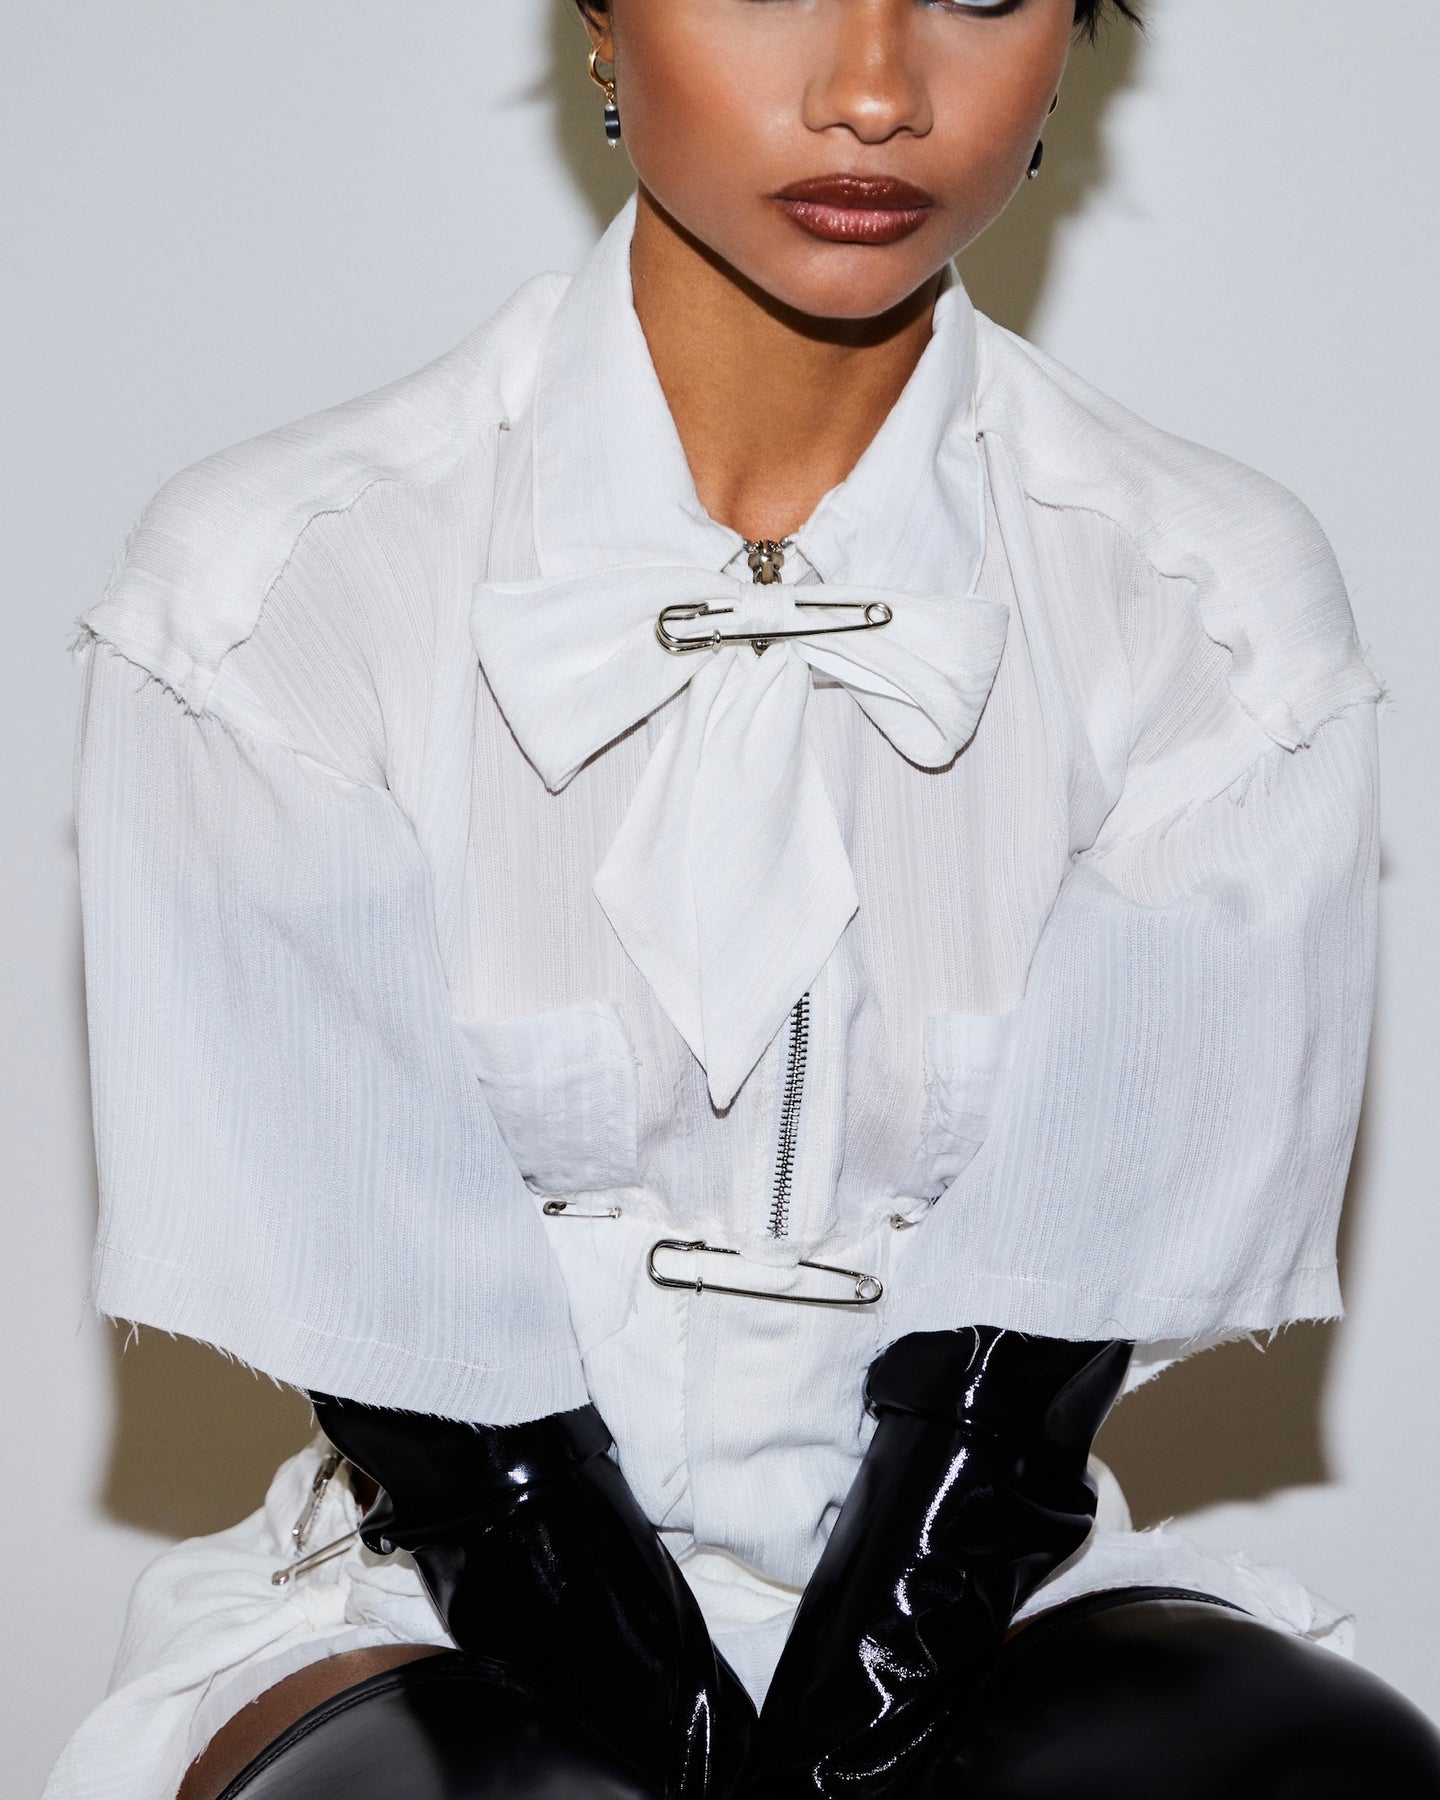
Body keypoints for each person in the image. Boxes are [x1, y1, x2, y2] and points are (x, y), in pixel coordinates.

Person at [43, 0, 1440, 1795]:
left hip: (991, 1593)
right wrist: (677, 1741)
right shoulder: (280, 583)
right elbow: (412, 1362)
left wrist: (845, 1718)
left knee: (1324, 1773)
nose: (874, 90)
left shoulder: (1208, 608)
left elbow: (1028, 1384)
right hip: (427, 1591)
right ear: (603, 22)